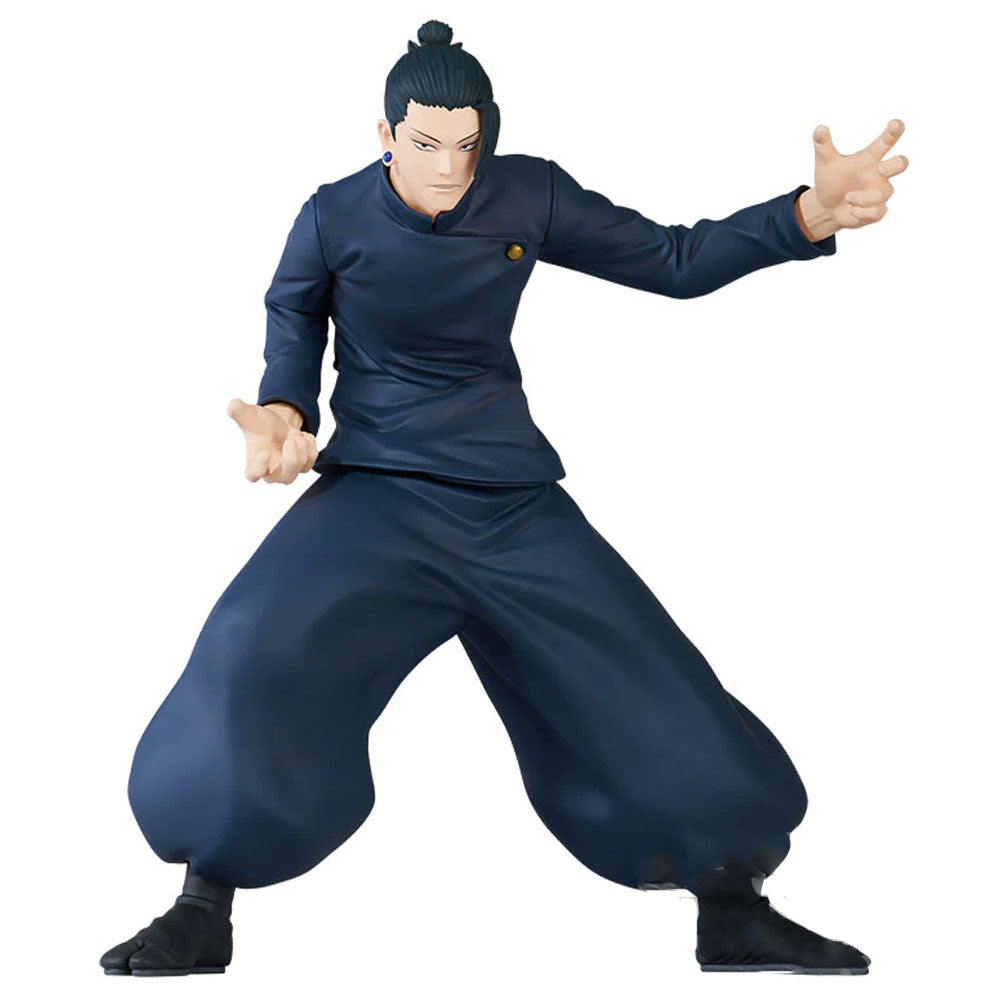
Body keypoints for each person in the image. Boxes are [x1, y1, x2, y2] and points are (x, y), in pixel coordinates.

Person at [100, 18, 907, 978]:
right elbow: (292, 332)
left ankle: (732, 904)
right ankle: (204, 903)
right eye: (426, 144)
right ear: (386, 134)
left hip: (509, 498)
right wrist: (282, 415)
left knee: (655, 679)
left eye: (468, 144)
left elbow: (673, 260)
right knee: (253, 648)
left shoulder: (529, 193)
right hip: (379, 497)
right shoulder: (331, 217)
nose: (450, 168)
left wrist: (805, 216)